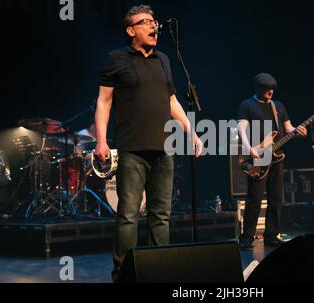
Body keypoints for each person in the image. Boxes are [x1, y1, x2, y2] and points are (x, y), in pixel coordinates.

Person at [94, 4, 202, 282]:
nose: (154, 26)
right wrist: (102, 141)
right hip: (131, 149)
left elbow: (172, 100)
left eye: (154, 21)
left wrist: (191, 131)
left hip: (164, 147)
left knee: (161, 214)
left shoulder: (164, 59)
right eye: (146, 22)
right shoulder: (116, 59)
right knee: (129, 215)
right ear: (131, 30)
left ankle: (158, 271)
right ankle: (123, 275)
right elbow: (104, 102)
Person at [237, 73, 307, 249]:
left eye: (272, 89)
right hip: (258, 157)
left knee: (277, 199)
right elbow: (241, 129)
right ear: (257, 88)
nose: (270, 92)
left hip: (277, 158)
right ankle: (247, 238)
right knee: (255, 200)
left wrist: (297, 131)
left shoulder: (279, 107)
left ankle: (271, 235)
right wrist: (250, 148)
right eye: (267, 88)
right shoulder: (247, 105)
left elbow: (288, 128)